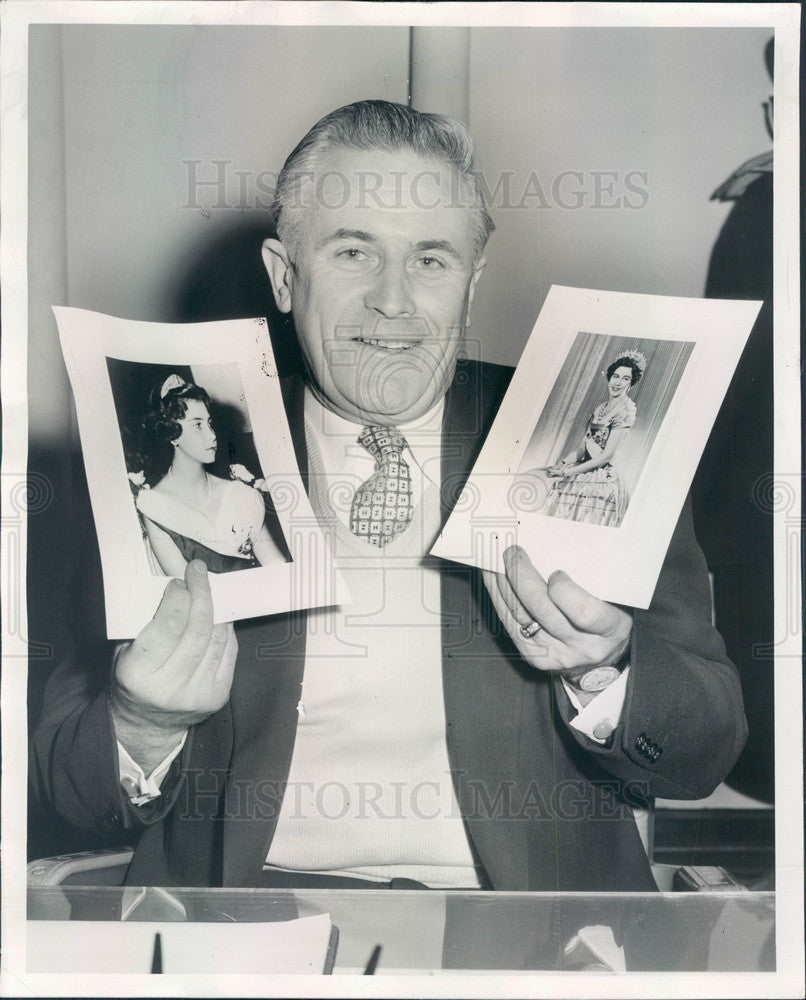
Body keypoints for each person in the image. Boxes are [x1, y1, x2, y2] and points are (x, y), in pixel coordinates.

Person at [31, 100, 747, 892]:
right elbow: (71, 789)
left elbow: (703, 751)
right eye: (352, 253)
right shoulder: (191, 464)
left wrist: (608, 670)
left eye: (431, 260)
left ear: (471, 286)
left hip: (528, 932)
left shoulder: (568, 437)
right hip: (247, 919)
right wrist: (145, 721)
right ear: (283, 276)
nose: (395, 301)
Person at [131, 375, 285, 575]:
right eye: (197, 425)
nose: (212, 435)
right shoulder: (155, 506)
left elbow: (276, 565)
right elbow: (186, 585)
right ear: (172, 434)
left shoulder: (239, 494)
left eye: (210, 423)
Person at [541, 351, 645, 528]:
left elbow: (605, 457)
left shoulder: (625, 409)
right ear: (609, 378)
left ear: (631, 383)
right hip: (582, 469)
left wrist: (568, 473)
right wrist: (564, 463)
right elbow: (583, 445)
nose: (618, 382)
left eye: (625, 379)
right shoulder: (601, 407)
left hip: (602, 476)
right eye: (615, 376)